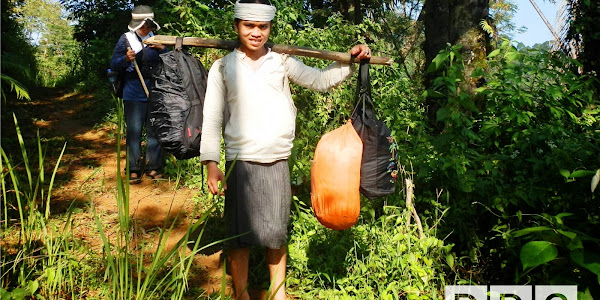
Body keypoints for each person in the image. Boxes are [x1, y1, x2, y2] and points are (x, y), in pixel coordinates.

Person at [199, 0, 371, 298]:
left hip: (277, 161)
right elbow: (212, 117)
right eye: (249, 26)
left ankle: (277, 293)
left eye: (262, 27)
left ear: (270, 28)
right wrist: (211, 163)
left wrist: (350, 61)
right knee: (238, 237)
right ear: (237, 26)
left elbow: (318, 80)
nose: (256, 33)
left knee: (276, 234)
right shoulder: (222, 67)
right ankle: (240, 293)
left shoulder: (281, 61)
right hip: (240, 162)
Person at [110, 5, 167, 183]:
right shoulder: (126, 39)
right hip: (133, 92)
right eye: (142, 26)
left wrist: (163, 49)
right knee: (134, 131)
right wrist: (126, 59)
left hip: (155, 91)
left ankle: (154, 166)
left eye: (147, 26)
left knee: (154, 131)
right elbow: (114, 64)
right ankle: (133, 168)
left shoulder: (157, 39)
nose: (144, 29)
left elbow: (169, 62)